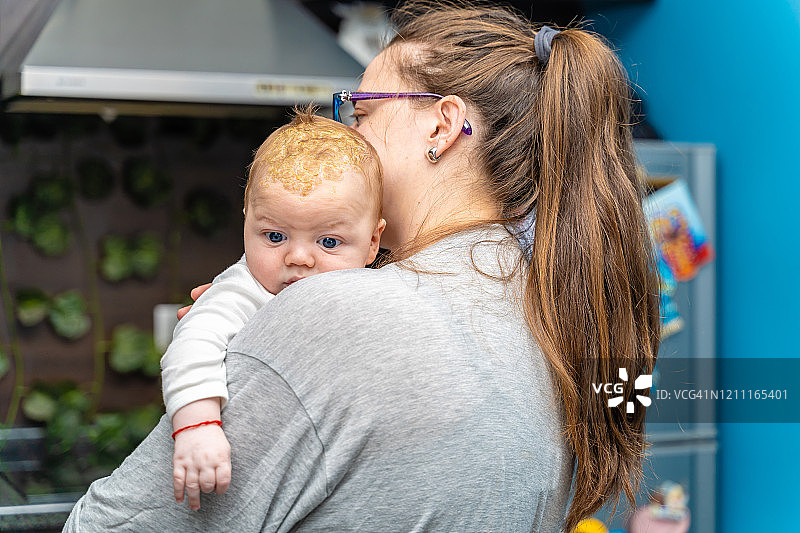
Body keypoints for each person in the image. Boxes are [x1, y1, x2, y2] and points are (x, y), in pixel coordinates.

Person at [63, 2, 660, 531]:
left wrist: (281, 343)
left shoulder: (340, 315)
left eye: (360, 113)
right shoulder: (554, 312)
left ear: (442, 126)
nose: (344, 137)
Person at [161, 110, 385, 511]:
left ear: (372, 243)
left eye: (329, 242)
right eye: (275, 236)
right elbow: (193, 344)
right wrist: (197, 426)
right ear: (246, 221)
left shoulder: (378, 290)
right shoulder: (241, 292)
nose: (298, 258)